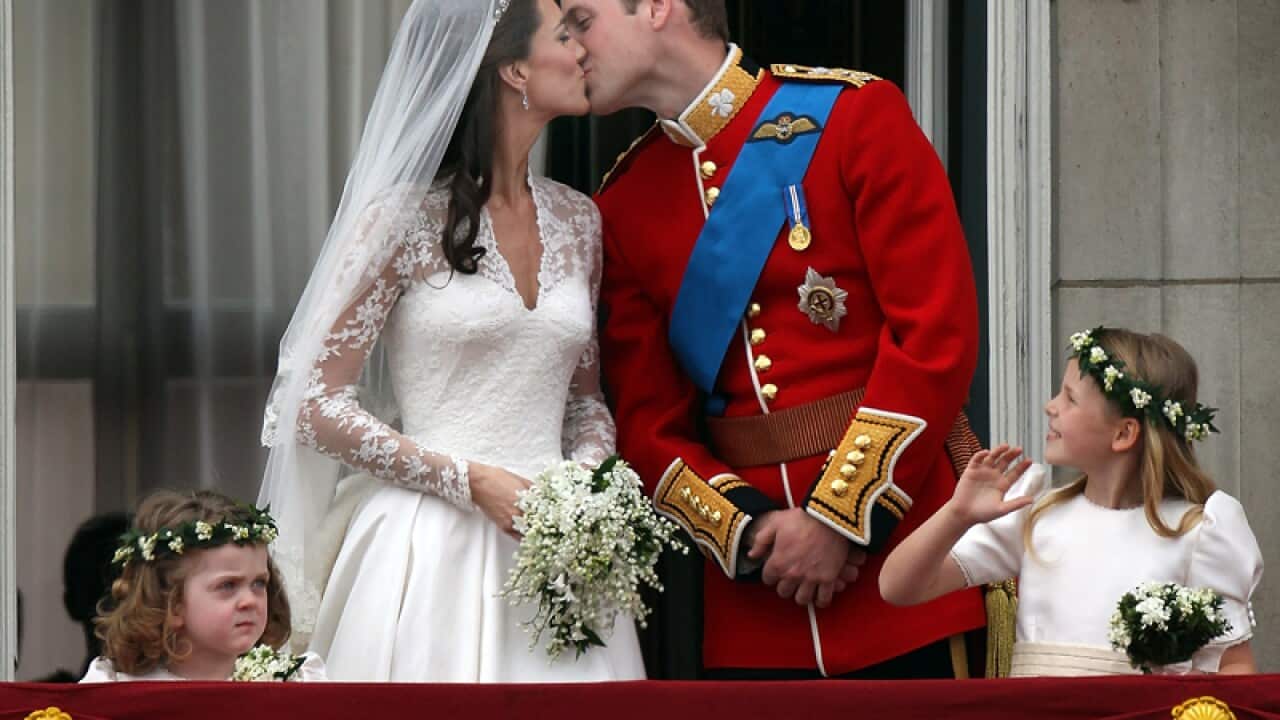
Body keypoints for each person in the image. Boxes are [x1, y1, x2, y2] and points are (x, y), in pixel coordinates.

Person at [567, 0, 987, 678]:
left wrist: (837, 518)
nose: (571, 47)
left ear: (655, 7)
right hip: (758, 606)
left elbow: (936, 337)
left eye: (582, 20)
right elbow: (648, 424)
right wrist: (753, 531)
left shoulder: (853, 116)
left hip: (906, 571)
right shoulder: (623, 201)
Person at [257, 0, 645, 681]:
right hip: (428, 547)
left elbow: (584, 405)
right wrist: (468, 480)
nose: (584, 49)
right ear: (515, 69)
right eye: (566, 35)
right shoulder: (402, 220)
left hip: (557, 554)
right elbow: (314, 405)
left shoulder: (579, 220)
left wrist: (582, 489)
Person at [880, 327, 1262, 676]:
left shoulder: (1197, 531)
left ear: (1124, 433)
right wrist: (957, 515)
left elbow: (1233, 667)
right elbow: (898, 587)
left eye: (1070, 398)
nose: (1051, 406)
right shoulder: (1034, 513)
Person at [80, 489, 326, 682]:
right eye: (228, 585)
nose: (250, 600)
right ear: (170, 602)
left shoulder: (297, 681)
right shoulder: (115, 686)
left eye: (259, 583)